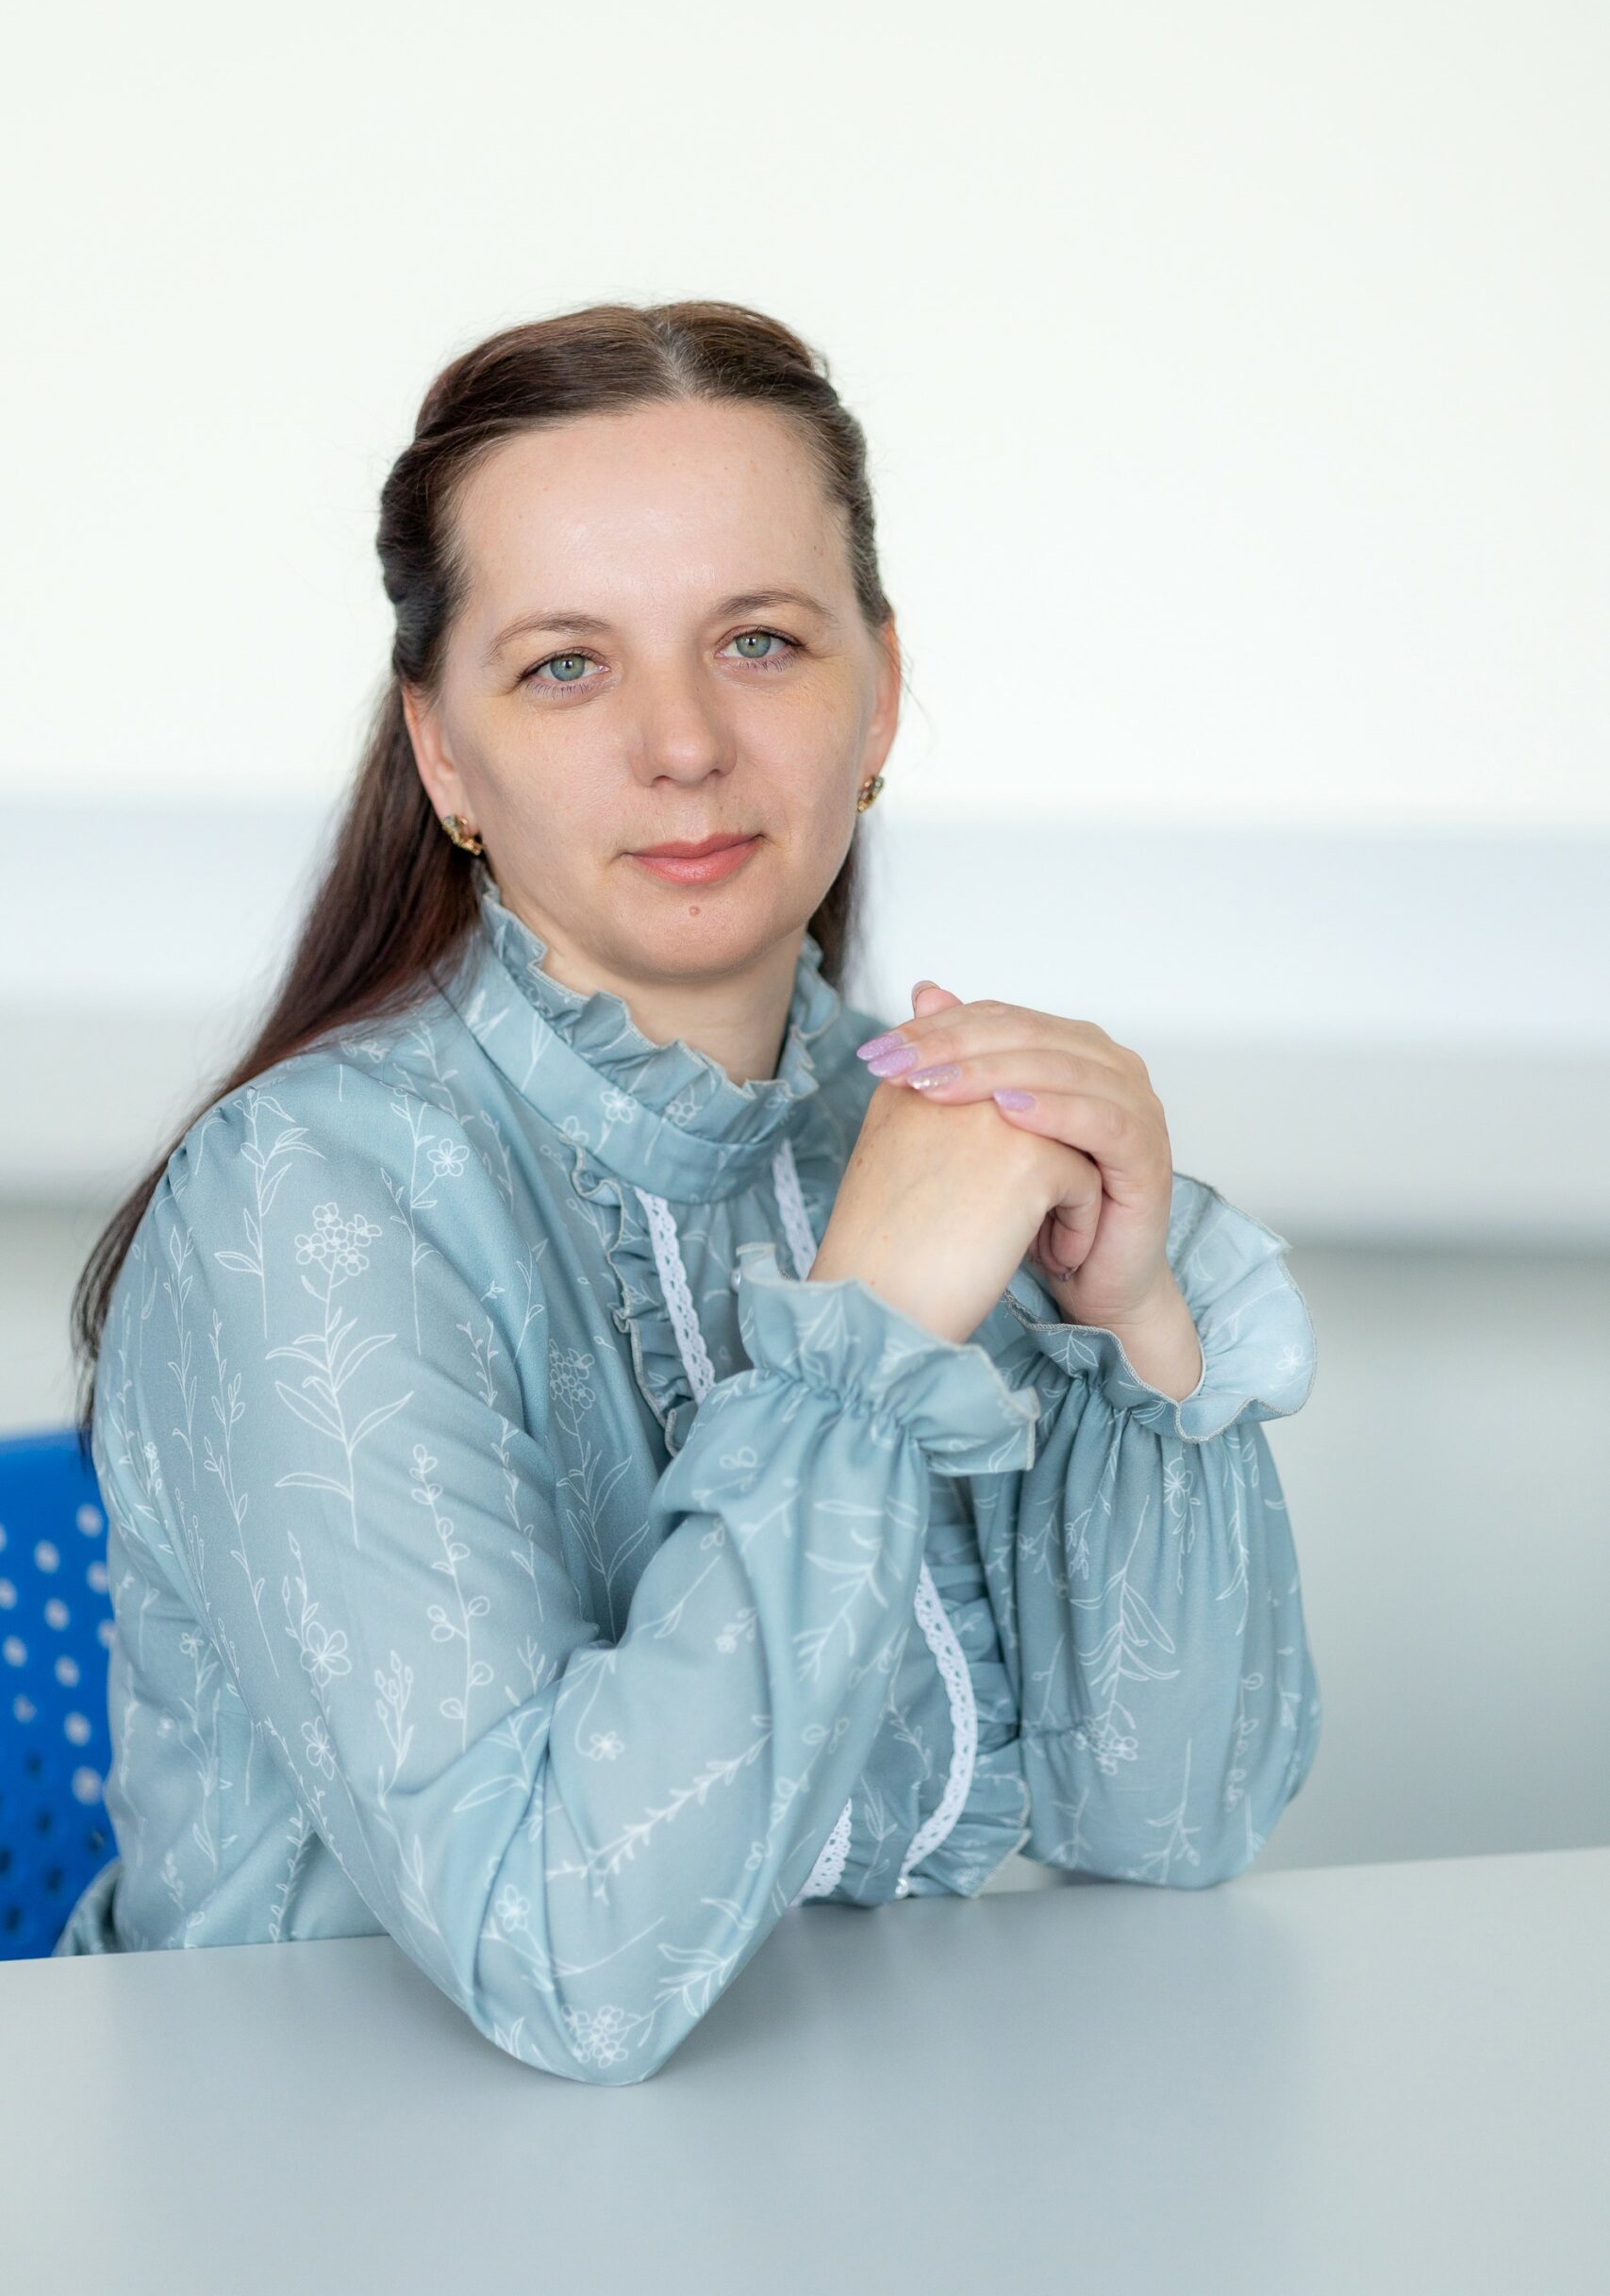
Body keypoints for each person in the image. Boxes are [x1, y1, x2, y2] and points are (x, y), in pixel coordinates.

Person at [58, 300, 1320, 2084]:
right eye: (566, 666)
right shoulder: (306, 1203)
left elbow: (1173, 1823)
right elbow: (570, 1968)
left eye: (760, 641)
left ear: (880, 694)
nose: (683, 744)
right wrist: (865, 1339)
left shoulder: (933, 1136)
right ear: (443, 754)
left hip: (823, 2158)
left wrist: (1132, 1322)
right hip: (320, 2171)